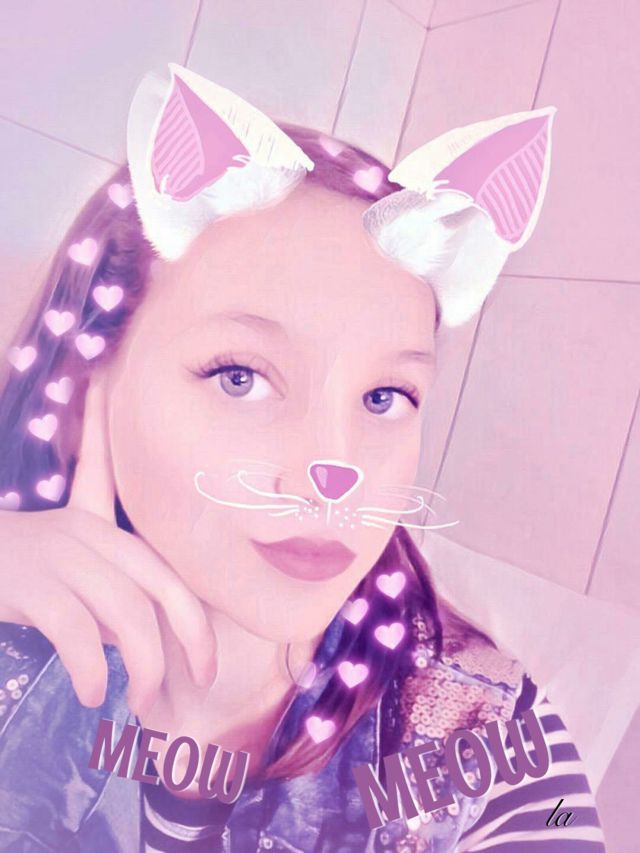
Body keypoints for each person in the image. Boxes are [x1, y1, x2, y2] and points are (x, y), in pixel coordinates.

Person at [0, 64, 605, 851]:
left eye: (384, 395)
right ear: (85, 386)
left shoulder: (479, 737)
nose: (334, 469)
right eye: (241, 376)